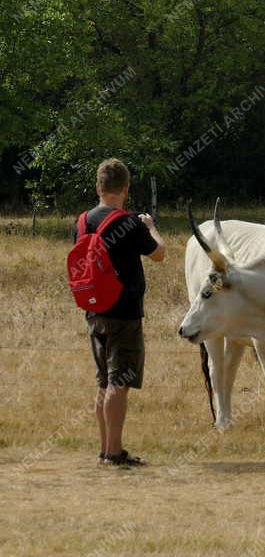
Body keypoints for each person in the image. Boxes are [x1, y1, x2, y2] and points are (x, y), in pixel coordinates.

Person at [72, 159, 165, 466]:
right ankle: (115, 453)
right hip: (124, 315)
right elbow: (159, 255)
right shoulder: (131, 223)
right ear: (125, 189)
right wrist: (152, 228)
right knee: (119, 383)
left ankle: (104, 450)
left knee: (104, 382)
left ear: (99, 187)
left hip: (93, 310)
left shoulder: (83, 221)